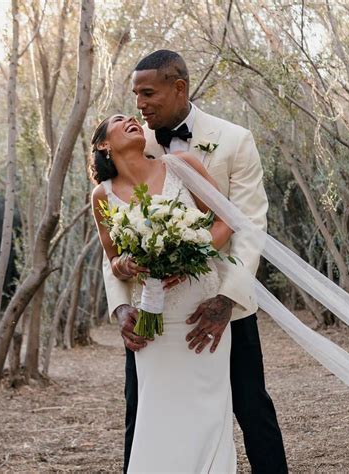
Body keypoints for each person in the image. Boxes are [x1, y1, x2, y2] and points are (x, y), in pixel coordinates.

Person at [102, 50, 287, 473]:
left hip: (221, 300)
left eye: (148, 93)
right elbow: (112, 237)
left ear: (178, 87)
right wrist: (121, 305)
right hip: (153, 310)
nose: (140, 106)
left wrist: (226, 300)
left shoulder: (233, 140)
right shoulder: (133, 144)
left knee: (251, 407)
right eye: (135, 96)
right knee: (142, 411)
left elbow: (248, 226)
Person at [90, 115, 236, 472]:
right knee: (157, 412)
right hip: (152, 318)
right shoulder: (102, 196)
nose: (131, 119)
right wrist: (122, 265)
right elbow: (113, 260)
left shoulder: (181, 165)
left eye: (132, 117)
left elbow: (225, 222)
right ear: (103, 145)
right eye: (119, 120)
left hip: (200, 309)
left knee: (208, 411)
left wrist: (192, 256)